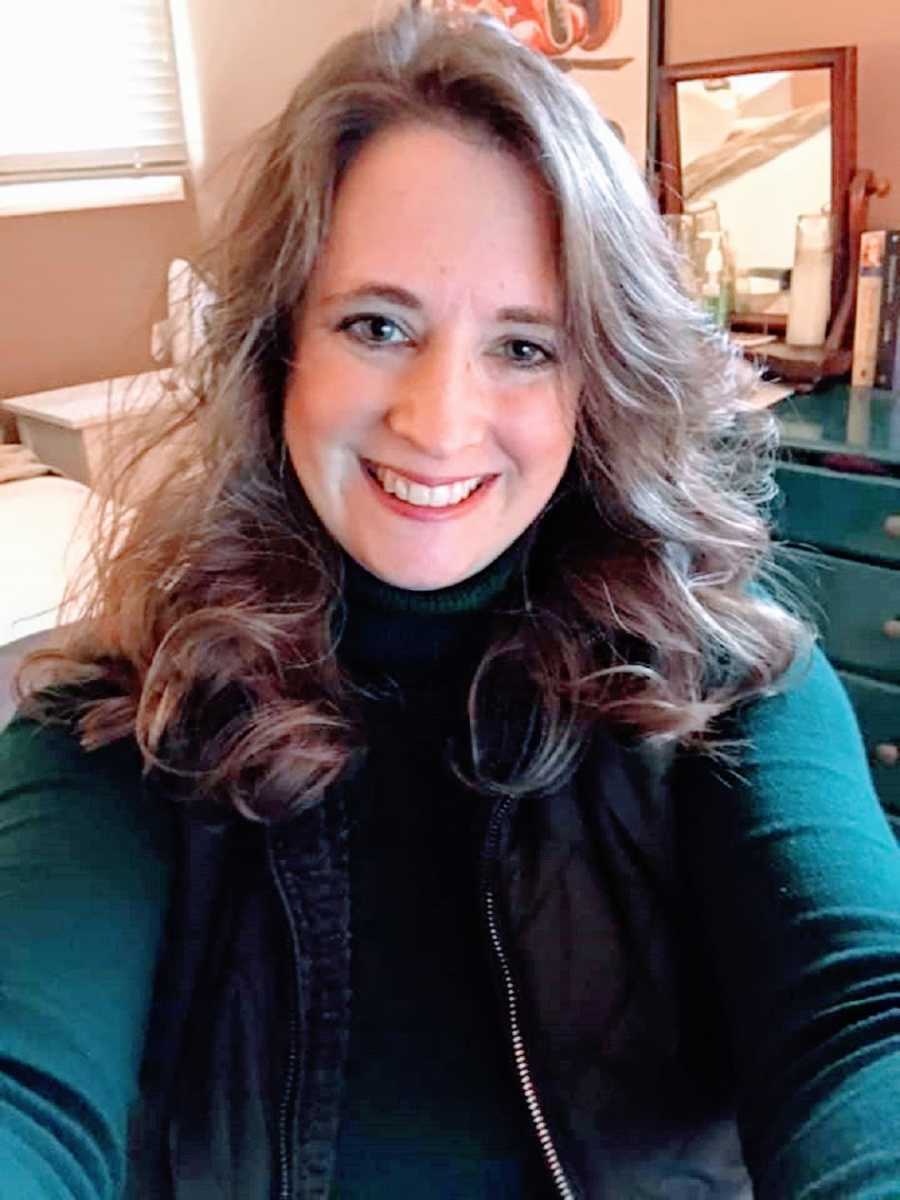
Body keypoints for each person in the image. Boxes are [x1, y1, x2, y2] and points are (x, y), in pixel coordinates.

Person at [1, 7, 899, 1199]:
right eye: (377, 326)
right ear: (281, 355)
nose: (437, 421)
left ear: (599, 379)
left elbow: (859, 1020)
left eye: (524, 347)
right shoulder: (123, 725)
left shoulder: (732, 700)